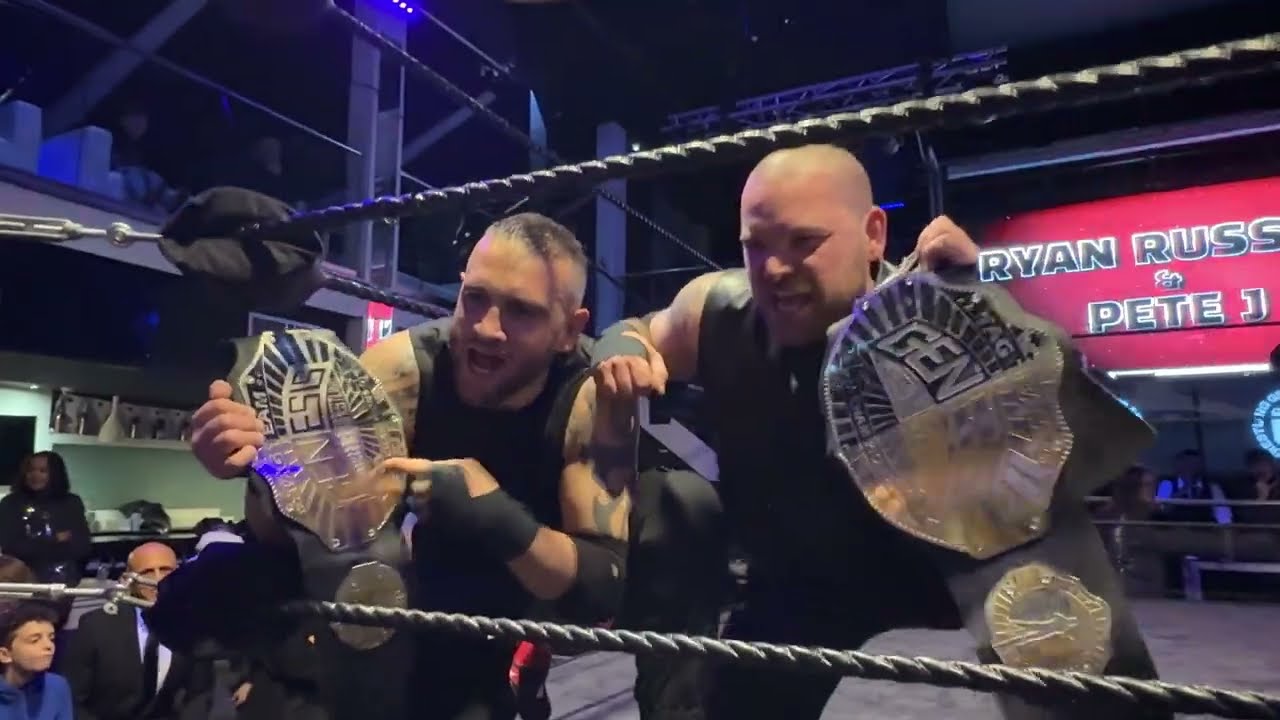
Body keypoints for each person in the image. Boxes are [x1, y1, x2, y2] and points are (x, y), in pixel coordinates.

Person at [590, 143, 1164, 719]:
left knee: (1066, 642)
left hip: (938, 561)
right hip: (802, 579)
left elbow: (1056, 406)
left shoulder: (932, 312)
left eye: (804, 241)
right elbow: (637, 330)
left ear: (873, 235)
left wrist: (980, 314)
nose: (775, 269)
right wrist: (621, 353)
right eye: (755, 245)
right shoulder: (717, 310)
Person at [188, 212, 716, 720]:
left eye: (521, 311)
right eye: (475, 298)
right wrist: (256, 470)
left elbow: (597, 590)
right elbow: (316, 536)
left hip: (548, 579)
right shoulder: (400, 373)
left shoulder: (587, 396)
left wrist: (492, 514)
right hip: (444, 579)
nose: (487, 328)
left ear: (568, 330)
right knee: (224, 587)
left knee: (683, 504)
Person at [63, 542, 197, 720]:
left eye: (166, 570)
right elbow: (71, 699)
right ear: (127, 580)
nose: (157, 580)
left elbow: (199, 694)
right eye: (147, 572)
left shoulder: (193, 624)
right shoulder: (96, 626)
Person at [0, 452, 91, 589]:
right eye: (30, 470)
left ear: (55, 474)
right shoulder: (10, 503)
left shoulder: (71, 502)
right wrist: (55, 539)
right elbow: (11, 547)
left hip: (62, 580)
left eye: (43, 471)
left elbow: (81, 547)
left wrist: (35, 544)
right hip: (19, 577)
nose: (35, 475)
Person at [0, 602, 72, 719]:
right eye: (35, 640)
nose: (49, 645)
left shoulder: (57, 686)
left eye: (51, 638)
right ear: (5, 655)